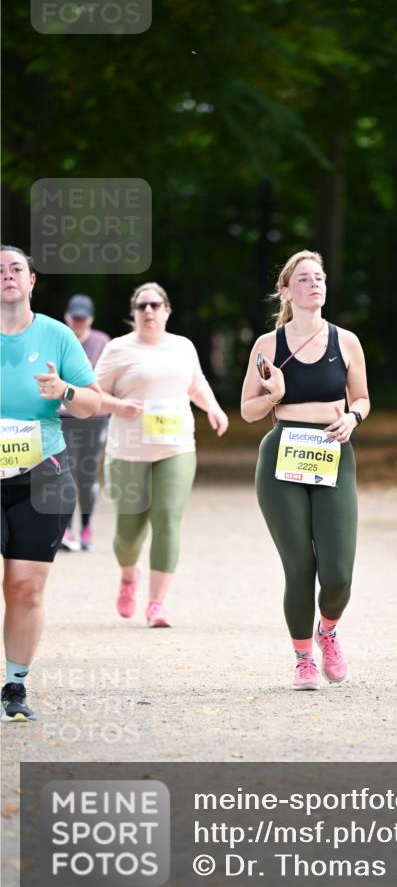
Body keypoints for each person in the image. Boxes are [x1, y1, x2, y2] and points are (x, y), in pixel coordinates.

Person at [241, 250, 370, 691]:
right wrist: (274, 394)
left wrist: (353, 419)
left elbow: (364, 399)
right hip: (282, 452)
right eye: (304, 279)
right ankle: (302, 659)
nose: (314, 284)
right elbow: (247, 410)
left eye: (319, 277)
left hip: (334, 451)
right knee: (299, 568)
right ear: (286, 291)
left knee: (337, 574)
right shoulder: (267, 345)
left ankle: (328, 630)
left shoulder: (346, 341)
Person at [0, 245, 101, 721]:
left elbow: (92, 403)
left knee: (25, 588)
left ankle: (13, 689)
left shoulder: (57, 336)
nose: (7, 276)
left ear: (32, 280)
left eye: (15, 268)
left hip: (42, 475)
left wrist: (65, 390)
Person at [95, 282, 229, 628]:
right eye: (142, 306)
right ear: (134, 313)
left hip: (176, 447)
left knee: (167, 519)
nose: (149, 311)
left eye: (156, 305)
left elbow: (196, 383)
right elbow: (94, 394)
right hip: (128, 451)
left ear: (167, 310)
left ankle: (157, 603)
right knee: (128, 535)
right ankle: (128, 576)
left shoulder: (182, 346)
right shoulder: (118, 349)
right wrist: (117, 405)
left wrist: (213, 408)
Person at [59, 294, 111, 551]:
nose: (78, 322)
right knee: (65, 472)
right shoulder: (58, 338)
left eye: (83, 318)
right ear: (68, 317)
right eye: (75, 317)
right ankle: (66, 529)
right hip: (64, 418)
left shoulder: (102, 343)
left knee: (86, 474)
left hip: (94, 418)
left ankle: (87, 525)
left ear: (90, 319)